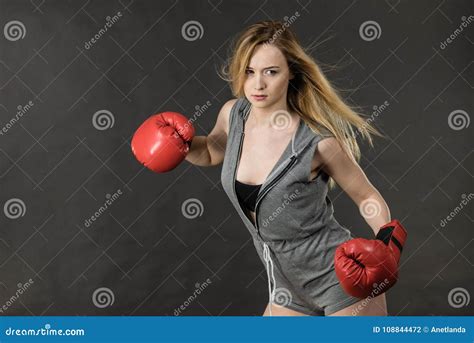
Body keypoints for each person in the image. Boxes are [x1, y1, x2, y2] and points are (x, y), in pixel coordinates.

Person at [133, 20, 407, 316]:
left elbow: (367, 197)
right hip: (286, 288)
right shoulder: (234, 115)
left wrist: (386, 247)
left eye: (271, 72)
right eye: (249, 72)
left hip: (340, 281)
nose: (258, 84)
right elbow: (213, 150)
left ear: (291, 73)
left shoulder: (317, 142)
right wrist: (180, 145)